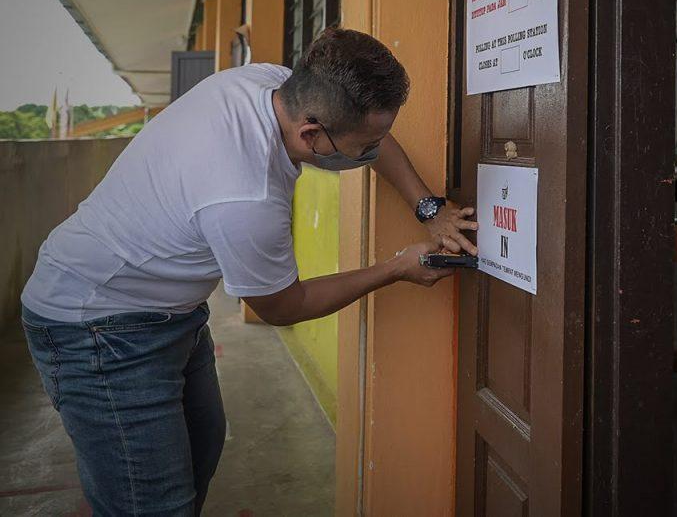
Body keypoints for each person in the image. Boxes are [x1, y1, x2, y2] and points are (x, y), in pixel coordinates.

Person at [20, 28, 477, 516]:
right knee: (151, 502)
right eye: (364, 142)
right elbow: (283, 305)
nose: (374, 148)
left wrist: (428, 208)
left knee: (199, 449)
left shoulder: (272, 86)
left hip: (165, 311)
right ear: (311, 135)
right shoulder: (246, 195)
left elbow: (371, 138)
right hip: (95, 327)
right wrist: (394, 269)